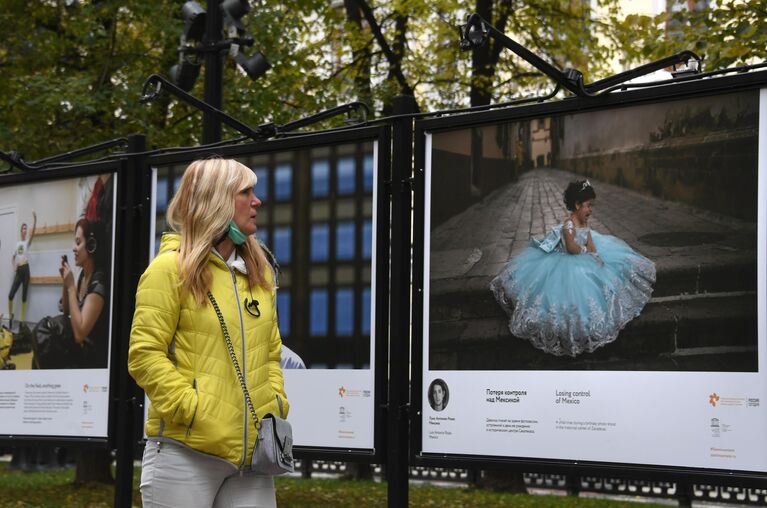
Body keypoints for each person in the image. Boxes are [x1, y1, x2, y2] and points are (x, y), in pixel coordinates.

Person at [128, 158, 290, 508]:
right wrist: (194, 410)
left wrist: (273, 405)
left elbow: (271, 355)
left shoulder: (258, 275)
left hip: (252, 458)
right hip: (185, 453)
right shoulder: (169, 270)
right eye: (245, 192)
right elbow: (144, 355)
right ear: (216, 201)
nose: (256, 201)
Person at [489, 179, 656, 357]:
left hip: (583, 258)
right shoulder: (569, 225)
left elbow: (590, 244)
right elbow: (571, 247)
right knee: (577, 288)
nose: (591, 210)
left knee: (602, 276)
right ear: (577, 205)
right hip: (567, 261)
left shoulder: (585, 225)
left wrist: (595, 255)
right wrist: (585, 251)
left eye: (592, 206)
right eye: (588, 206)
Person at [59, 218, 110, 368]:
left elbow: (80, 333)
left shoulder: (98, 282)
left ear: (91, 246)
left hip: (93, 360)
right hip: (82, 351)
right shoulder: (83, 276)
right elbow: (67, 311)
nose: (74, 248)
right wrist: (66, 282)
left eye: (78, 242)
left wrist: (70, 287)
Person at [8, 211, 36, 327]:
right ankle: (10, 317)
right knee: (10, 295)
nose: (24, 230)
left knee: (24, 296)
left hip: (26, 270)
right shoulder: (17, 244)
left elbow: (33, 233)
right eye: (23, 228)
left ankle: (22, 321)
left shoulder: (26, 243)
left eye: (26, 228)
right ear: (21, 231)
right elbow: (13, 258)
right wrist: (13, 265)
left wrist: (35, 220)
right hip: (19, 271)